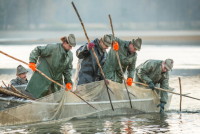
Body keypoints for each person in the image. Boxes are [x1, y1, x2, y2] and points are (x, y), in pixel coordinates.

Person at [26, 34, 76, 99]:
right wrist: (32, 61)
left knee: (54, 100)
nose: (71, 48)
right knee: (38, 98)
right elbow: (37, 49)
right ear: (65, 43)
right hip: (43, 79)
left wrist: (68, 82)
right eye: (70, 46)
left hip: (56, 83)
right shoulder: (53, 48)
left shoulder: (70, 55)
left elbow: (67, 70)